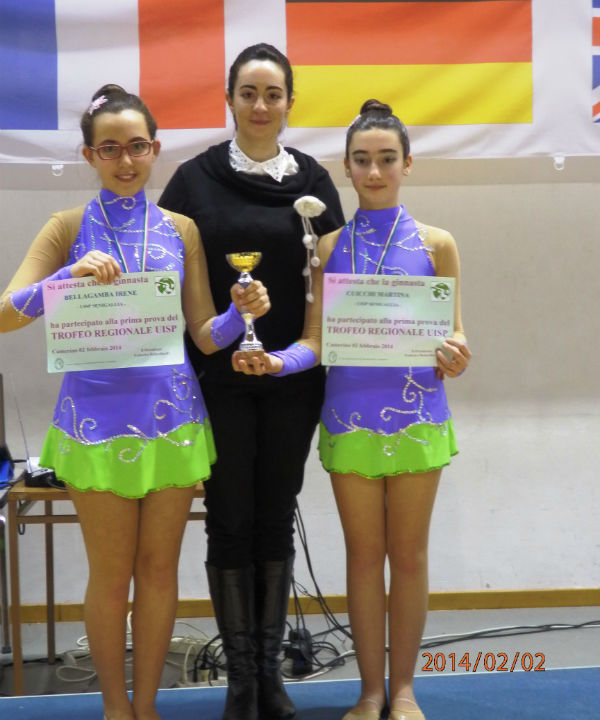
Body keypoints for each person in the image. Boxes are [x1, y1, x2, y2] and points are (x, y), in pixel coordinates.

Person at [0, 84, 268, 720]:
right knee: (110, 573)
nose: (126, 160)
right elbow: (5, 315)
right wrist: (63, 279)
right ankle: (115, 709)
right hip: (93, 424)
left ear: (155, 148)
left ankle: (146, 708)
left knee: (157, 572)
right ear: (89, 155)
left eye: (137, 146)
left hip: (171, 421)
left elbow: (204, 334)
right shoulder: (66, 227)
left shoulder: (181, 229)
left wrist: (241, 312)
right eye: (110, 148)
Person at [234, 100, 471, 720]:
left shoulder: (438, 244)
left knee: (409, 557)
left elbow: (455, 334)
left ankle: (404, 690)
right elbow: (316, 340)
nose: (374, 171)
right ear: (345, 167)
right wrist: (277, 362)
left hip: (418, 417)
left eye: (387, 159)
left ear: (407, 164)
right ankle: (369, 691)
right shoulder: (329, 246)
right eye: (362, 160)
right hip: (350, 419)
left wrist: (454, 354)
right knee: (364, 559)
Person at [158, 43, 345, 720]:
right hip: (217, 378)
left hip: (294, 379)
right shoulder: (192, 181)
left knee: (275, 514)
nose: (260, 105)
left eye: (273, 94)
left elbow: (337, 283)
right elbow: (167, 279)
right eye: (248, 93)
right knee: (229, 518)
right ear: (229, 99)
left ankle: (270, 679)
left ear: (290, 102)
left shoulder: (315, 182)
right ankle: (240, 684)